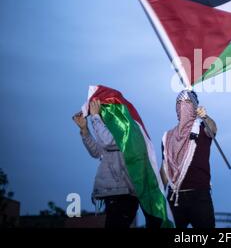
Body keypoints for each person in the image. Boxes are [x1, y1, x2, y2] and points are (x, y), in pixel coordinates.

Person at [72, 99, 161, 228]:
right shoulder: (110, 130)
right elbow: (96, 152)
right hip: (114, 193)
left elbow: (108, 141)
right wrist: (85, 130)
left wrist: (95, 117)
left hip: (124, 194)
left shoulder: (128, 129)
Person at [160, 90, 217, 228]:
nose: (182, 106)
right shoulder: (168, 137)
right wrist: (158, 193)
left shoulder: (202, 128)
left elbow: (213, 130)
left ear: (195, 106)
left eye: (187, 102)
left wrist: (205, 116)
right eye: (179, 102)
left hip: (199, 196)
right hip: (174, 197)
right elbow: (165, 167)